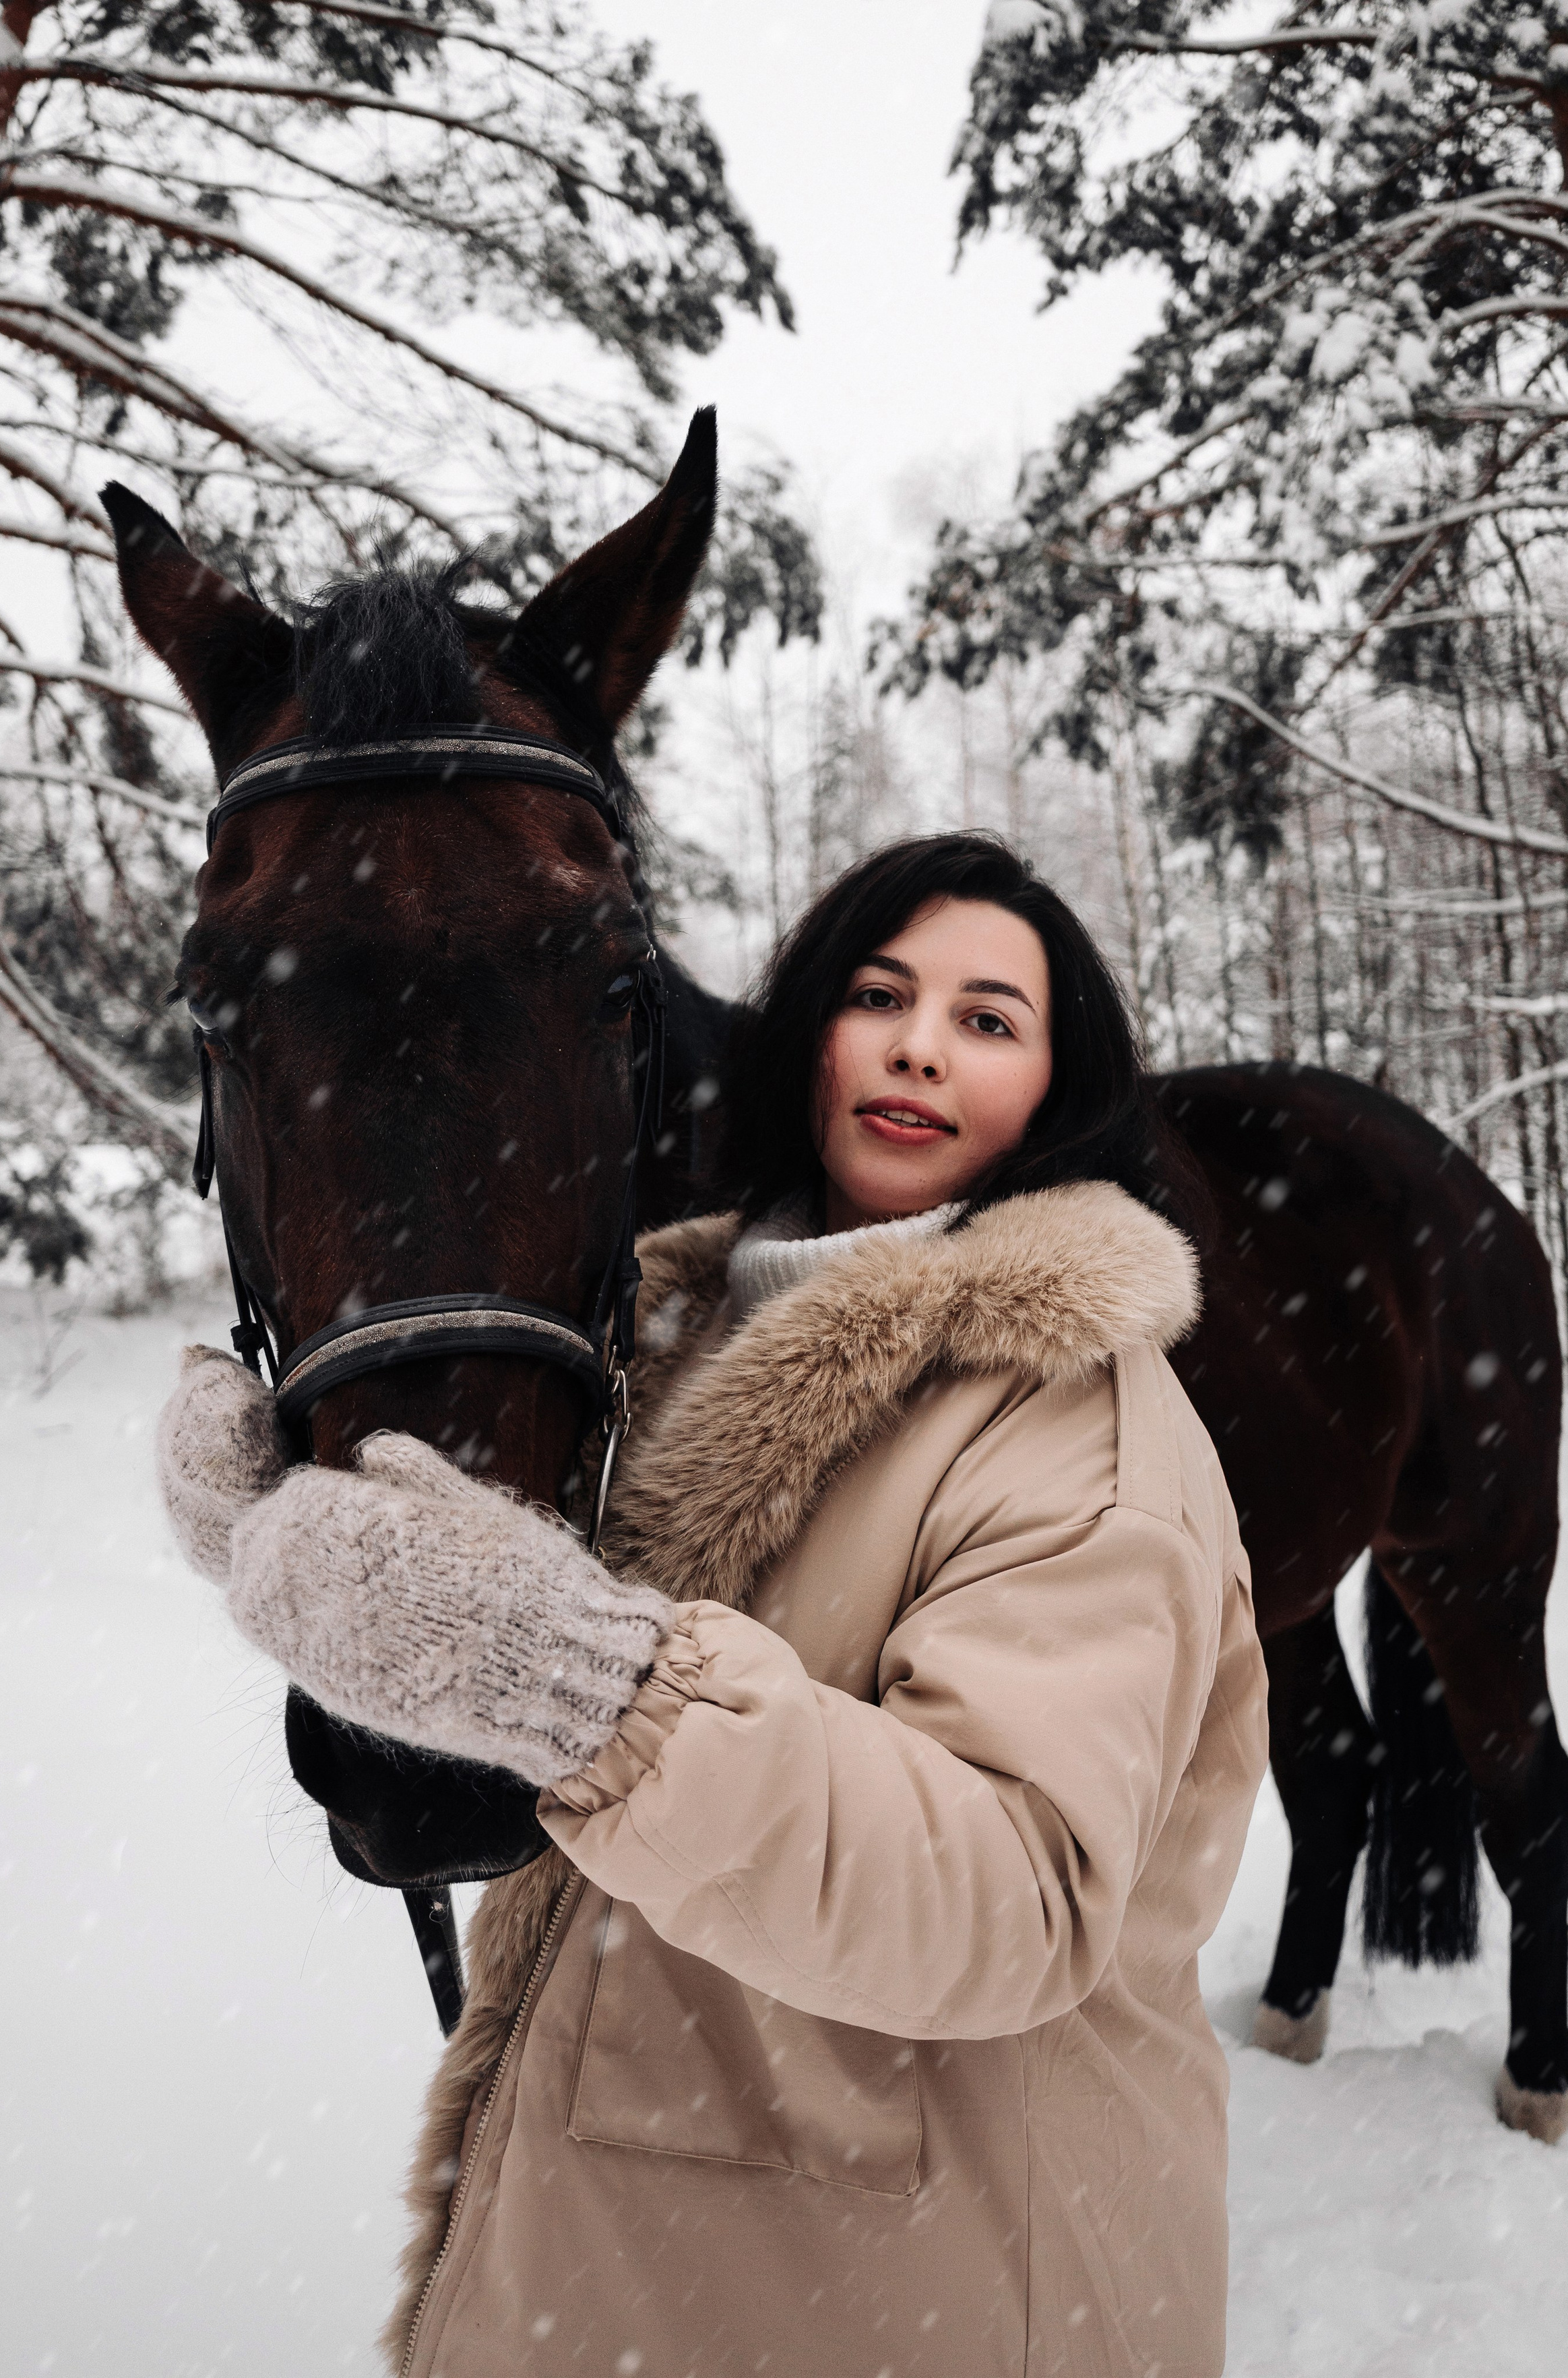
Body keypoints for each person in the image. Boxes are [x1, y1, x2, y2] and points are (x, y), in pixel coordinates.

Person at [158, 832, 1268, 2377]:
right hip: (649, 2237)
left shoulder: (1074, 1428)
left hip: (937, 2281)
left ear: (1054, 1096)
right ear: (808, 1028)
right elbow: (495, 1613)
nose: (918, 1046)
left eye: (988, 1019)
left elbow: (1014, 1897)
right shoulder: (676, 1327)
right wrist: (283, 1532)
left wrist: (590, 1687)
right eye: (879, 994)